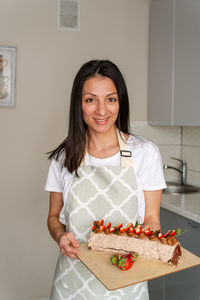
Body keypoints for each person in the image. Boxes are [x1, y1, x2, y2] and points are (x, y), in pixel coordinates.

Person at [45, 59, 166, 299]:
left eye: (111, 99)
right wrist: (60, 235)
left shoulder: (145, 153)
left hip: (126, 284)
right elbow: (53, 217)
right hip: (73, 283)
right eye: (90, 99)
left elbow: (152, 220)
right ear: (78, 104)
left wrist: (145, 246)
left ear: (120, 102)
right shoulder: (63, 157)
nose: (102, 110)